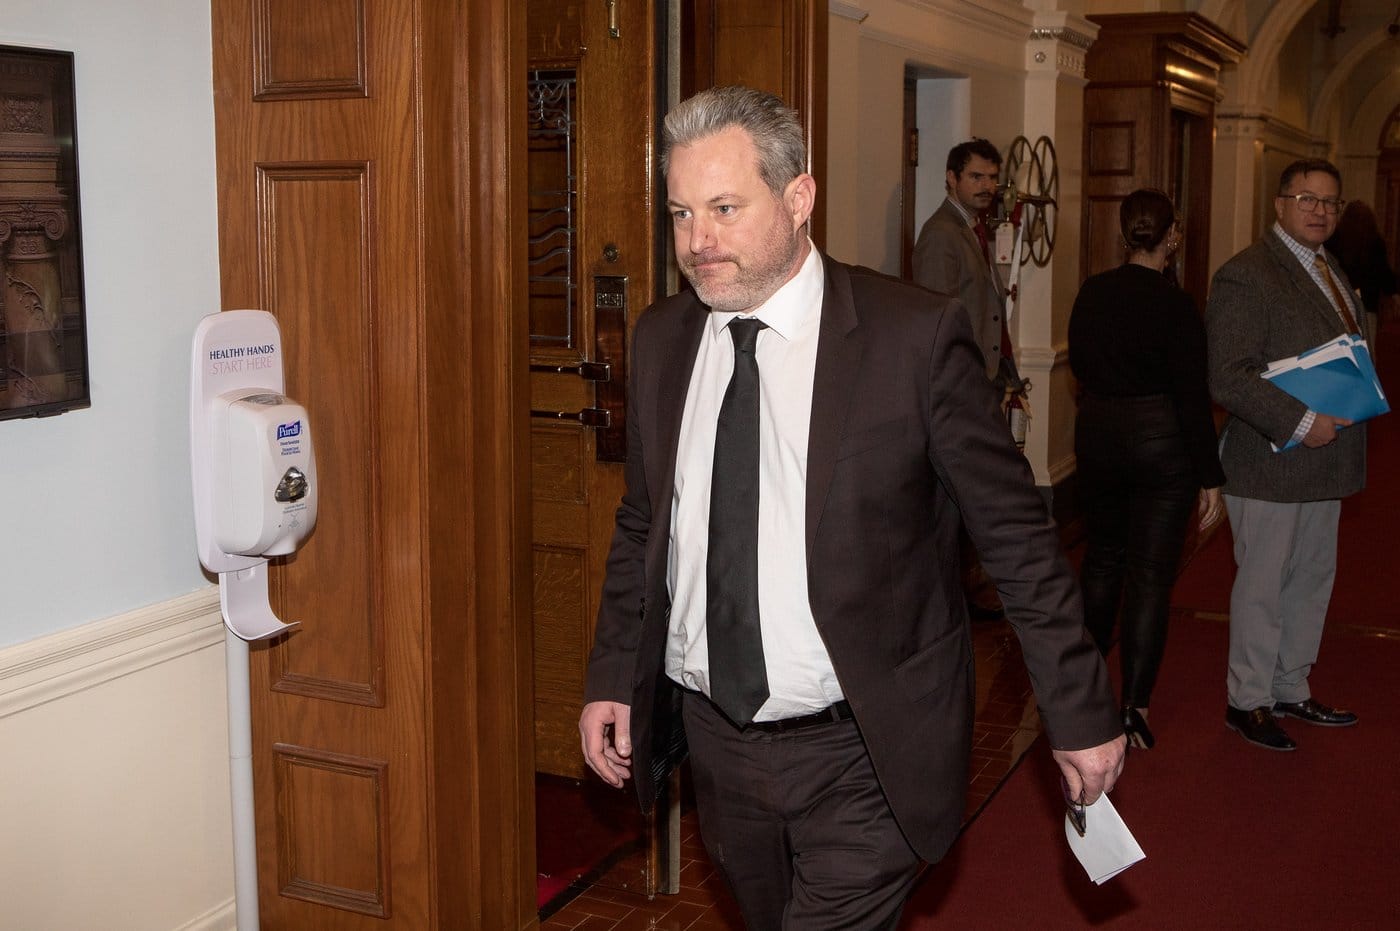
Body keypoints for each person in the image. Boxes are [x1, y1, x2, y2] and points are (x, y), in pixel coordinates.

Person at [579, 85, 1124, 930]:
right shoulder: (663, 340)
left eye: (724, 208)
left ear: (798, 197)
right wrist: (615, 674)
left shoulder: (911, 337)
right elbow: (647, 523)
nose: (697, 240)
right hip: (718, 746)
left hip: (866, 744)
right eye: (682, 213)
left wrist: (1079, 708)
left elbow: (1014, 535)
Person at [1207, 158, 1364, 752]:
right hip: (1268, 460)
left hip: (1325, 459)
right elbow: (1228, 375)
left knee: (1311, 581)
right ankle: (1247, 701)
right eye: (1307, 199)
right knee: (1264, 587)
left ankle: (1290, 685)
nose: (1320, 210)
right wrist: (1301, 421)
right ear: (1280, 205)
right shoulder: (1247, 274)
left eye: (1330, 202)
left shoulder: (1328, 266)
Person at [1068, 189, 1225, 751]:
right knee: (1150, 577)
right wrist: (1210, 476)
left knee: (1102, 560)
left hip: (1099, 436)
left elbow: (1080, 365)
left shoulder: (1093, 292)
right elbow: (1192, 396)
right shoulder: (1176, 305)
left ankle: (1083, 694)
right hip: (1162, 444)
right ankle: (1134, 706)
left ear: (1123, 233)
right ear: (1172, 236)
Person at [911, 138, 1019, 619]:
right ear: (951, 179)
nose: (987, 186)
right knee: (960, 492)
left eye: (992, 177)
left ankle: (967, 589)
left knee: (977, 490)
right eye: (976, 176)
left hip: (982, 382)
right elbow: (937, 320)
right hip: (958, 387)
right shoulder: (941, 234)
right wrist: (962, 384)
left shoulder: (972, 228)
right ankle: (953, 597)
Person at [1326, 200, 1397, 352]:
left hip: (1340, 302)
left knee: (1341, 348)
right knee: (1366, 347)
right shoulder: (1375, 242)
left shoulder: (1334, 239)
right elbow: (1384, 275)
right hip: (1366, 304)